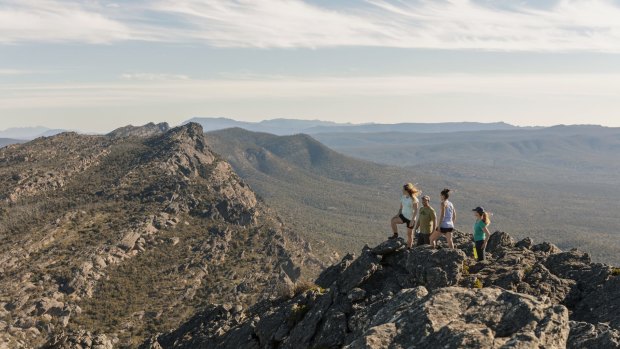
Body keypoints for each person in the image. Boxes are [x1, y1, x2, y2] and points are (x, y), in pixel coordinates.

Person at [389, 183, 420, 248]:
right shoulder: (403, 197)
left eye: (403, 190)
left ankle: (409, 247)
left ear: (407, 190)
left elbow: (416, 210)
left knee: (409, 234)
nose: (402, 191)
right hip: (403, 216)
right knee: (393, 221)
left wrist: (413, 220)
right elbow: (401, 208)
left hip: (410, 219)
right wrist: (397, 215)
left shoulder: (414, 199)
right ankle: (395, 234)